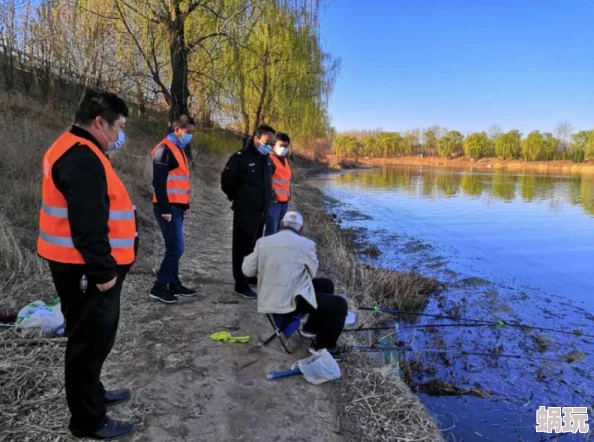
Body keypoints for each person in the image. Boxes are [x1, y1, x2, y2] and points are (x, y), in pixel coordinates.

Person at [37, 88, 137, 439]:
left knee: (95, 341)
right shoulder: (81, 157)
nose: (120, 134)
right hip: (84, 270)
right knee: (87, 343)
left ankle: (94, 394)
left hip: (78, 266)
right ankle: (87, 420)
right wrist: (103, 272)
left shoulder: (78, 148)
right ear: (99, 122)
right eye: (119, 126)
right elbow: (88, 223)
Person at [242, 211, 348, 359]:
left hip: (269, 298)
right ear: (301, 229)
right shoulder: (306, 245)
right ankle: (323, 346)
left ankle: (311, 328)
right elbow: (312, 272)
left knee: (326, 284)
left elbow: (246, 270)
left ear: (281, 225)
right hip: (289, 302)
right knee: (340, 304)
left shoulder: (263, 242)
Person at [221, 125, 276, 299]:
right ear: (256, 139)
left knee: (254, 246)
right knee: (242, 247)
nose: (270, 145)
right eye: (268, 142)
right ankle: (240, 283)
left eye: (272, 143)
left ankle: (250, 276)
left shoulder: (267, 160)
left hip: (261, 211)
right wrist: (239, 198)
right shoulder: (241, 158)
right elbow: (227, 181)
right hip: (245, 210)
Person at [149, 115, 197, 304]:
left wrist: (185, 205)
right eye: (188, 132)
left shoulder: (178, 149)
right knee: (177, 248)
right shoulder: (164, 149)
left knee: (173, 247)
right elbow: (159, 182)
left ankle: (174, 284)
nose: (190, 136)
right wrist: (165, 208)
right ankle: (159, 287)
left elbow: (179, 182)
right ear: (177, 128)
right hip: (167, 207)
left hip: (176, 206)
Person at [265, 132, 292, 236]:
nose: (283, 148)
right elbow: (265, 181)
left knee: (281, 231)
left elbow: (287, 180)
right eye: (281, 145)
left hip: (285, 202)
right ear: (274, 145)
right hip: (273, 202)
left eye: (286, 146)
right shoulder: (269, 159)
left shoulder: (285, 160)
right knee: (271, 231)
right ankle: (267, 251)